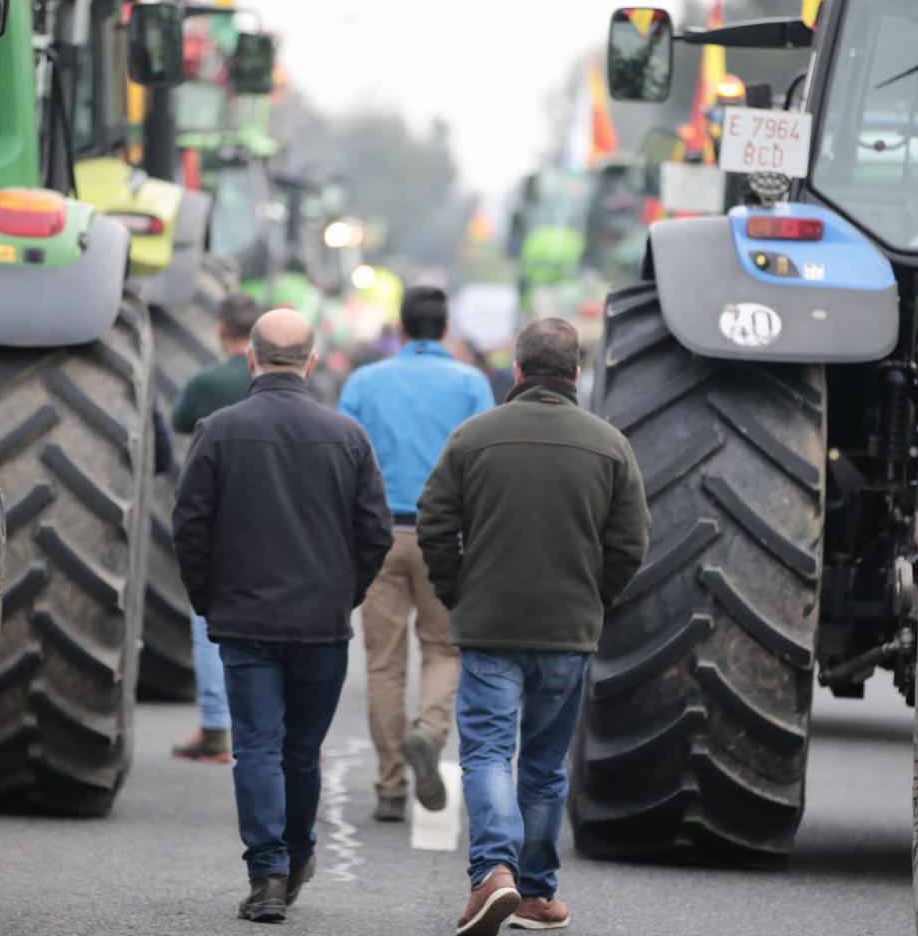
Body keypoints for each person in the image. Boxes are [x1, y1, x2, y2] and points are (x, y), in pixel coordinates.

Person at [417, 318, 650, 935]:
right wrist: (594, 598)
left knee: (489, 752)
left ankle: (494, 871)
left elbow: (435, 525)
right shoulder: (609, 445)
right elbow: (631, 543)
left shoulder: (474, 437)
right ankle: (537, 895)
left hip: (490, 626)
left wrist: (456, 591)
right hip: (567, 633)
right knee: (545, 767)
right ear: (576, 374)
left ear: (517, 370)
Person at [172, 309, 394, 923]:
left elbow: (189, 526)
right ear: (311, 361)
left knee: (258, 750)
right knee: (302, 750)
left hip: (244, 621)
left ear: (251, 359)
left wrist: (208, 599)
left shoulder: (217, 431)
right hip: (321, 624)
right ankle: (297, 857)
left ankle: (267, 873)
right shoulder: (348, 436)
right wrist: (343, 594)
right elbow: (375, 532)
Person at [337, 286, 494, 822]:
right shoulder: (471, 384)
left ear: (400, 330)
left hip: (379, 535)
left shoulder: (364, 382)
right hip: (445, 538)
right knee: (444, 649)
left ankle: (388, 786)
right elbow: (484, 463)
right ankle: (427, 731)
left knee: (383, 663)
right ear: (445, 329)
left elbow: (344, 458)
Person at [168, 293, 263, 764]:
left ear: (221, 329)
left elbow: (179, 420)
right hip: (272, 517)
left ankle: (215, 729)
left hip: (220, 514)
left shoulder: (209, 381)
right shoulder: (273, 379)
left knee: (208, 624)